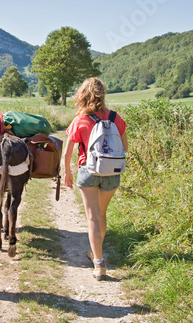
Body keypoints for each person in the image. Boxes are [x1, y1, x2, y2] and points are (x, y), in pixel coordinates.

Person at [63, 77, 128, 281]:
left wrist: (67, 172)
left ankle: (99, 263)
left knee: (92, 217)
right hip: (112, 172)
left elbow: (67, 152)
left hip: (88, 171)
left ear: (82, 95)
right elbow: (124, 148)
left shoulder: (79, 120)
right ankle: (95, 251)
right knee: (101, 213)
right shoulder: (116, 118)